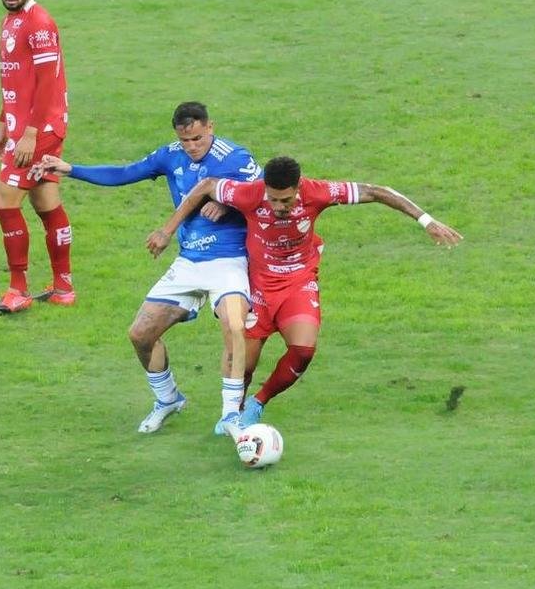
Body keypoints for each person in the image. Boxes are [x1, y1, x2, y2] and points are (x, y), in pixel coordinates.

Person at [147, 155, 461, 428]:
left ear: (299, 188)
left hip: (298, 283)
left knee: (303, 349)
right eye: (273, 199)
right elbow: (206, 185)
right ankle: (232, 414)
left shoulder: (318, 192)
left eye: (286, 200)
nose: (279, 207)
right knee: (242, 363)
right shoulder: (249, 194)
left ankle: (258, 403)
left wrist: (426, 221)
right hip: (257, 286)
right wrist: (170, 228)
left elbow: (376, 191)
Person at [34, 102, 261, 435]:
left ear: (210, 127)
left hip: (230, 260)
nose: (192, 147)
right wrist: (69, 169)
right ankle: (168, 399)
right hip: (189, 262)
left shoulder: (235, 158)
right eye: (186, 141)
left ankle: (230, 416)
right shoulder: (171, 155)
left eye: (198, 138)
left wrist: (226, 203)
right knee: (140, 334)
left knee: (234, 326)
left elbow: (266, 192)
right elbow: (126, 173)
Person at [0, 0, 74, 315]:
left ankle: (17, 288)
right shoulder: (11, 21)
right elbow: (15, 81)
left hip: (39, 131)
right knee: (46, 202)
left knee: (4, 202)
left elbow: (46, 84)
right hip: (23, 129)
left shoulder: (38, 23)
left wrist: (29, 134)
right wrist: (3, 125)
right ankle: (64, 287)